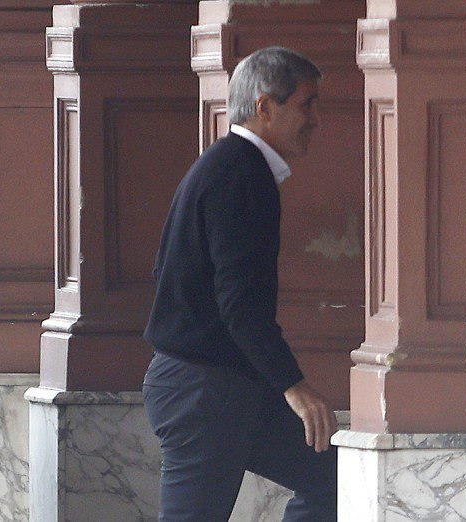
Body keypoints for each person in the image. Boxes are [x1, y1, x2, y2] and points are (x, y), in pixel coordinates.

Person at [142, 47, 338, 521]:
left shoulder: (231, 167)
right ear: (265, 107)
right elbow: (240, 304)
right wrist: (293, 385)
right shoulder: (240, 175)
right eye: (306, 104)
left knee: (334, 481)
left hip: (220, 383)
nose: (316, 119)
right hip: (203, 391)